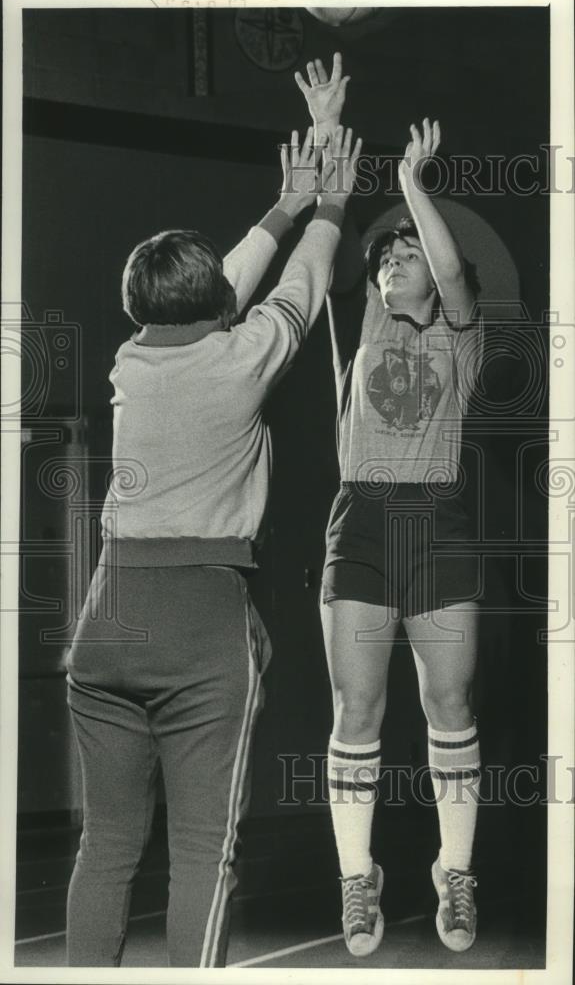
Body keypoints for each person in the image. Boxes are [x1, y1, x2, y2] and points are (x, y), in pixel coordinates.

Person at [65, 124, 362, 967]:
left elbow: (210, 291)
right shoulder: (243, 356)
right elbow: (301, 281)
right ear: (215, 309)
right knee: (201, 851)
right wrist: (327, 197)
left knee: (107, 848)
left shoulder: (129, 362)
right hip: (201, 614)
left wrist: (283, 200)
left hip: (108, 617)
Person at [296, 55, 483, 957]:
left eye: (405, 255)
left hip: (435, 517)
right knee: (355, 710)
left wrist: (411, 186)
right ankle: (355, 880)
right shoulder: (359, 325)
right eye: (386, 261)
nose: (394, 265)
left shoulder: (459, 336)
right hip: (361, 516)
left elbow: (450, 271)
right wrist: (329, 132)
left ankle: (454, 873)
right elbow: (326, 231)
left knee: (448, 702)